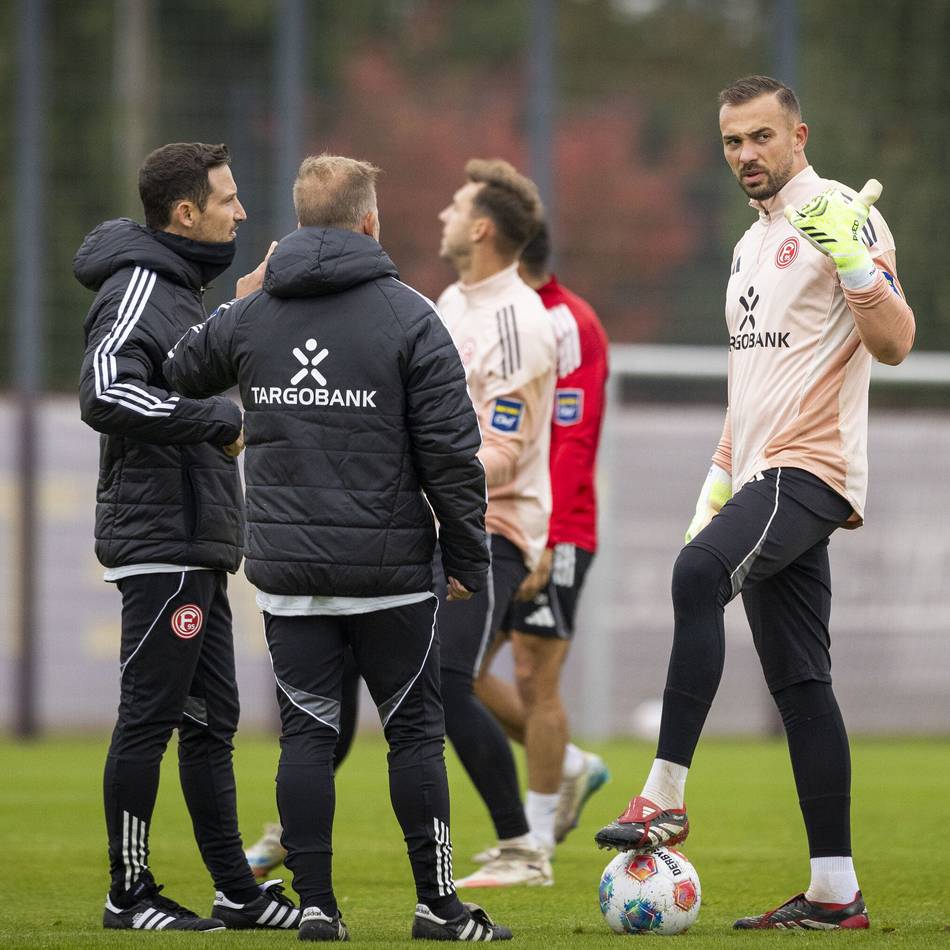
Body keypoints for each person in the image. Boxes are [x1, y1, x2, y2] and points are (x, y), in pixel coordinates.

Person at [163, 153, 513, 942]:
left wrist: (242, 303)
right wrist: (466, 558)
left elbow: (179, 371)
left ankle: (316, 906)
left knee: (308, 735)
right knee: (415, 734)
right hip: (391, 575)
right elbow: (452, 455)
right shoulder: (410, 315)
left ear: (295, 222)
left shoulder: (251, 315)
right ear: (369, 222)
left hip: (289, 577)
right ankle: (437, 907)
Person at [594, 75, 915, 930]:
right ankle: (836, 894)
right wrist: (715, 483)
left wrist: (852, 255)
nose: (746, 156)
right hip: (759, 469)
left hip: (812, 470)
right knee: (802, 684)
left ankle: (663, 797)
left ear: (799, 135)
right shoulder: (749, 246)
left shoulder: (847, 214)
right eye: (733, 141)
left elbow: (896, 343)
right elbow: (753, 388)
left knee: (696, 576)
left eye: (761, 138)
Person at [76, 142, 299, 931]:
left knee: (211, 727)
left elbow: (173, 377)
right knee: (149, 718)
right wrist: (217, 419)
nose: (241, 212)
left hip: (198, 545)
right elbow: (104, 390)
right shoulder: (139, 285)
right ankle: (127, 894)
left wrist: (239, 311)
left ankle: (237, 892)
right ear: (185, 213)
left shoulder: (181, 292)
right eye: (228, 198)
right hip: (160, 546)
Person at [433, 159, 558, 888]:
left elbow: (506, 454)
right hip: (442, 523)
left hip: (493, 534)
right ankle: (294, 836)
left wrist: (423, 471)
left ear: (480, 227)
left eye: (455, 204)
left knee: (449, 681)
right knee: (421, 685)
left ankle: (522, 848)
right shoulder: (452, 300)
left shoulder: (519, 321)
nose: (443, 215)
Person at [472, 221, 611, 858]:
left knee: (534, 674)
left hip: (556, 530)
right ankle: (572, 766)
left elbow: (572, 439)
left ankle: (534, 836)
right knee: (456, 671)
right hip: (493, 524)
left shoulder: (568, 324)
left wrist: (547, 536)